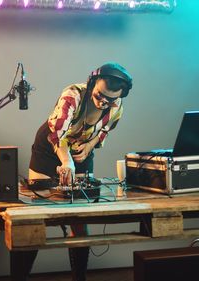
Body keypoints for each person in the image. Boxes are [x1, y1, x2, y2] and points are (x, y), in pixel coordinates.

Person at [12, 62, 132, 281]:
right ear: (92, 82)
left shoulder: (117, 105)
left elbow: (104, 131)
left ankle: (79, 278)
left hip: (80, 153)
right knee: (37, 216)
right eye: (99, 95)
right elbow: (59, 134)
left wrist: (87, 148)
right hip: (50, 149)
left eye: (111, 99)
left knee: (80, 219)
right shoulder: (72, 95)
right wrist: (66, 161)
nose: (104, 101)